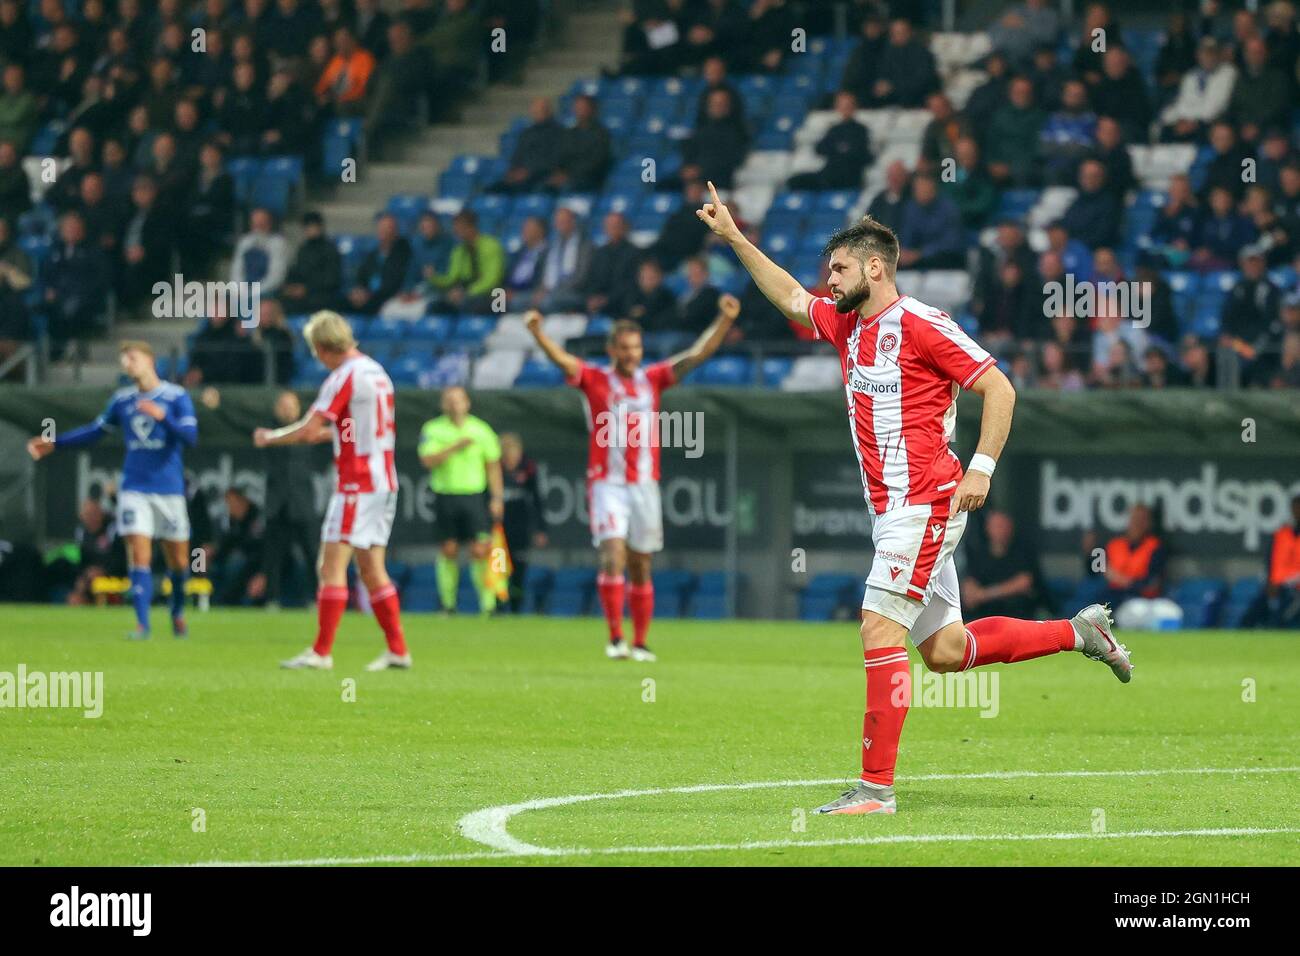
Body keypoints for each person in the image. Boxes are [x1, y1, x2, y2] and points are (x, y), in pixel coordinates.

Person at [695, 184, 1133, 816]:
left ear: (875, 267)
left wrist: (981, 467)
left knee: (877, 627)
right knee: (946, 652)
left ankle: (875, 791)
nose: (829, 279)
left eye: (839, 268)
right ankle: (1080, 632)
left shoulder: (923, 325)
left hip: (925, 502)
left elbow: (1001, 388)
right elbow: (792, 298)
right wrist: (734, 237)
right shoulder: (848, 324)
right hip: (895, 512)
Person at [524, 294, 740, 661]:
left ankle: (640, 642)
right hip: (607, 483)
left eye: (636, 347)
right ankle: (614, 638)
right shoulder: (594, 379)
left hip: (644, 485)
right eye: (624, 348)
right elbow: (562, 360)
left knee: (641, 563)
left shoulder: (652, 379)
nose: (631, 353)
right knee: (613, 553)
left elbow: (697, 355)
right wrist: (538, 334)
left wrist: (724, 319)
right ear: (612, 349)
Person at [257, 311, 408, 672]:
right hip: (384, 480)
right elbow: (354, 429)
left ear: (323, 347)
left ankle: (321, 652)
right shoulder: (377, 372)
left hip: (357, 482)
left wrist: (270, 438)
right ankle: (398, 650)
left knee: (331, 565)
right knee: (372, 568)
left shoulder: (344, 377)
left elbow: (309, 430)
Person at [26, 341, 198, 639]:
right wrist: (56, 442)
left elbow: (191, 437)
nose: (127, 364)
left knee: (180, 562)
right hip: (134, 487)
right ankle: (142, 624)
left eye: (132, 358)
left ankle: (177, 612)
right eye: (123, 360)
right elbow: (96, 431)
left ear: (149, 360)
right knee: (139, 553)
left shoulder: (176, 396)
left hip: (169, 490)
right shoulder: (122, 400)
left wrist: (162, 417)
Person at [417, 386, 504, 616]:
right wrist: (455, 446)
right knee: (449, 549)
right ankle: (448, 604)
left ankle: (488, 605)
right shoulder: (433, 429)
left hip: (474, 495)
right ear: (443, 404)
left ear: (467, 403)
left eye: (458, 400)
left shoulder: (481, 429)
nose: (454, 405)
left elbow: (493, 465)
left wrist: (496, 497)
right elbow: (427, 460)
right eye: (449, 400)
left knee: (480, 549)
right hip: (445, 495)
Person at [260, 390, 321, 607]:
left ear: (298, 409)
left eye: (291, 406)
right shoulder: (268, 431)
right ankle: (272, 599)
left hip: (303, 501)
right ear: (276, 409)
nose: (287, 410)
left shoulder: (309, 431)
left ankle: (316, 598)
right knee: (273, 556)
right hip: (277, 503)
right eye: (283, 406)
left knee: (312, 553)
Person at [499, 433, 548, 614]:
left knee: (519, 570)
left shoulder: (528, 468)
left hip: (521, 527)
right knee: (500, 570)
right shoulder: (494, 469)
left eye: (513, 453)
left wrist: (541, 529)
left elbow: (537, 500)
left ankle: (515, 609)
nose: (510, 458)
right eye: (506, 454)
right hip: (499, 530)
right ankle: (497, 607)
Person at [962, 511, 1042, 620]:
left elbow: (1024, 582)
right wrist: (972, 595)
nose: (1000, 530)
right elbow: (969, 583)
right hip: (984, 615)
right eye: (996, 526)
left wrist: (985, 595)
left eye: (1003, 526)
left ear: (1010, 527)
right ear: (987, 528)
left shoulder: (1023, 550)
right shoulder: (978, 552)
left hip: (1015, 614)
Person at [1101, 503, 1167, 604]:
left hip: (1140, 599)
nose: (1137, 523)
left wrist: (1124, 581)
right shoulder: (1114, 544)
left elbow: (1153, 583)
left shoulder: (1155, 547)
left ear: (1148, 523)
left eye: (1142, 520)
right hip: (1111, 597)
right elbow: (1097, 571)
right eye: (1134, 519)